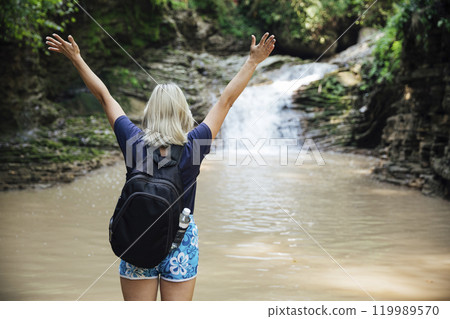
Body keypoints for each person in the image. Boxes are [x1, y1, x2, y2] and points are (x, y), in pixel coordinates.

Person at [46, 32, 276, 301]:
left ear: (150, 111)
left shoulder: (133, 141)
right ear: (183, 113)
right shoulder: (194, 145)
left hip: (137, 238)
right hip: (180, 245)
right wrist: (252, 62)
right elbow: (226, 101)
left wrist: (76, 59)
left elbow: (104, 96)